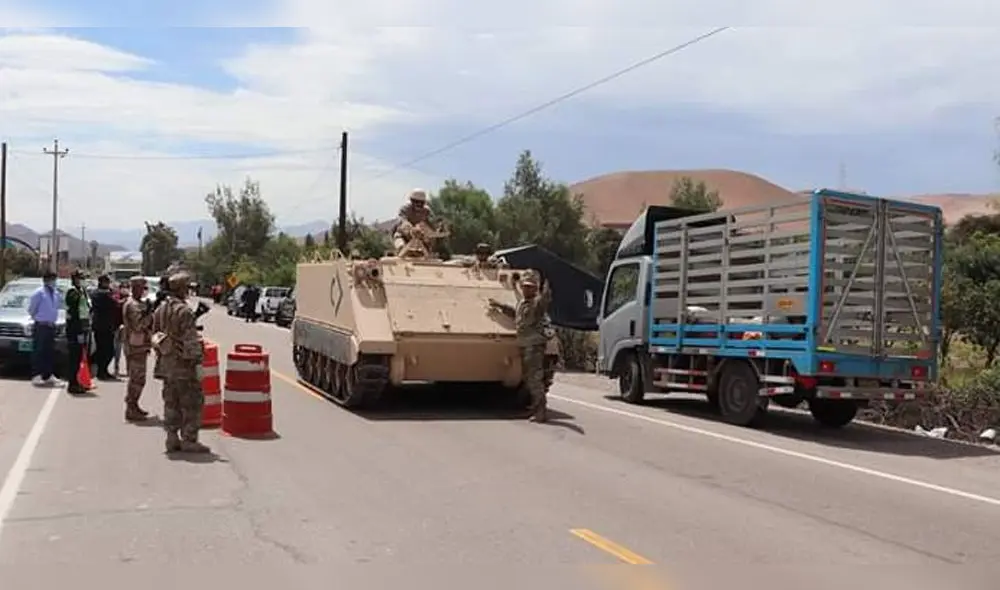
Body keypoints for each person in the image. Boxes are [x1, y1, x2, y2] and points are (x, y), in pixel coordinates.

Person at [152, 272, 209, 454]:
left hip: (167, 363)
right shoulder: (184, 311)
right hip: (183, 365)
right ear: (183, 289)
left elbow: (154, 334)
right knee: (192, 402)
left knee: (171, 402)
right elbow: (190, 341)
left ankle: (171, 437)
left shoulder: (161, 309)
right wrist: (198, 361)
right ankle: (189, 439)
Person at [488, 270, 553, 422]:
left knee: (534, 379)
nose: (526, 289)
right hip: (525, 345)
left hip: (534, 346)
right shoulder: (523, 304)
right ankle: (535, 408)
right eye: (524, 286)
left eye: (530, 287)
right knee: (529, 378)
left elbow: (544, 301)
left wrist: (546, 291)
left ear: (535, 289)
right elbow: (515, 313)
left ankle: (540, 411)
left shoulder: (536, 304)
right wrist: (499, 305)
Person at [121, 276, 153, 422]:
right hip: (135, 347)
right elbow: (139, 326)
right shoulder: (132, 305)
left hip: (140, 346)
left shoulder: (138, 303)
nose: (143, 291)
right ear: (135, 288)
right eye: (141, 288)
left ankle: (134, 405)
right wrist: (148, 315)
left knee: (139, 379)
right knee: (136, 379)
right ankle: (131, 407)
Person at [27, 271, 64, 387]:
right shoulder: (38, 293)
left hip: (51, 326)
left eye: (55, 279)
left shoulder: (56, 293)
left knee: (49, 352)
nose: (54, 282)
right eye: (52, 279)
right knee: (39, 351)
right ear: (46, 280)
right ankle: (36, 375)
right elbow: (31, 309)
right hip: (41, 326)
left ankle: (48, 375)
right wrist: (38, 318)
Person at [63, 270, 91, 395]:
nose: (83, 280)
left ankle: (77, 381)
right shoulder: (72, 292)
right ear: (75, 279)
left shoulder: (81, 291)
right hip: (74, 329)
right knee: (74, 357)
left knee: (79, 356)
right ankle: (72, 384)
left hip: (82, 328)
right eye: (81, 278)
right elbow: (73, 306)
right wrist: (81, 293)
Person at [89, 274, 117, 381]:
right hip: (100, 326)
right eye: (106, 282)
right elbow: (112, 303)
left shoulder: (108, 293)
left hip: (109, 326)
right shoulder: (97, 294)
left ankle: (104, 370)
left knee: (109, 351)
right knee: (103, 350)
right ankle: (100, 371)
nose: (108, 284)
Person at [111, 282, 128, 376]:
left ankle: (129, 369)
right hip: (117, 326)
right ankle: (116, 368)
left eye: (127, 287)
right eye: (123, 287)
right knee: (117, 348)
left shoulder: (130, 299)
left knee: (127, 349)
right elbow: (116, 304)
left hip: (127, 327)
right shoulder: (116, 297)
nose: (125, 289)